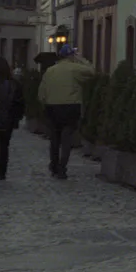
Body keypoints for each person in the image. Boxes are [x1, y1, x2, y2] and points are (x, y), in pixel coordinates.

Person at [37, 43, 90, 179]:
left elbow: (41, 93)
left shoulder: (50, 71)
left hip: (52, 107)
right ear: (71, 56)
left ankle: (53, 166)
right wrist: (81, 59)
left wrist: (45, 104)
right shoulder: (75, 69)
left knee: (54, 139)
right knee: (66, 140)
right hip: (70, 107)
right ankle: (62, 168)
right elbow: (91, 71)